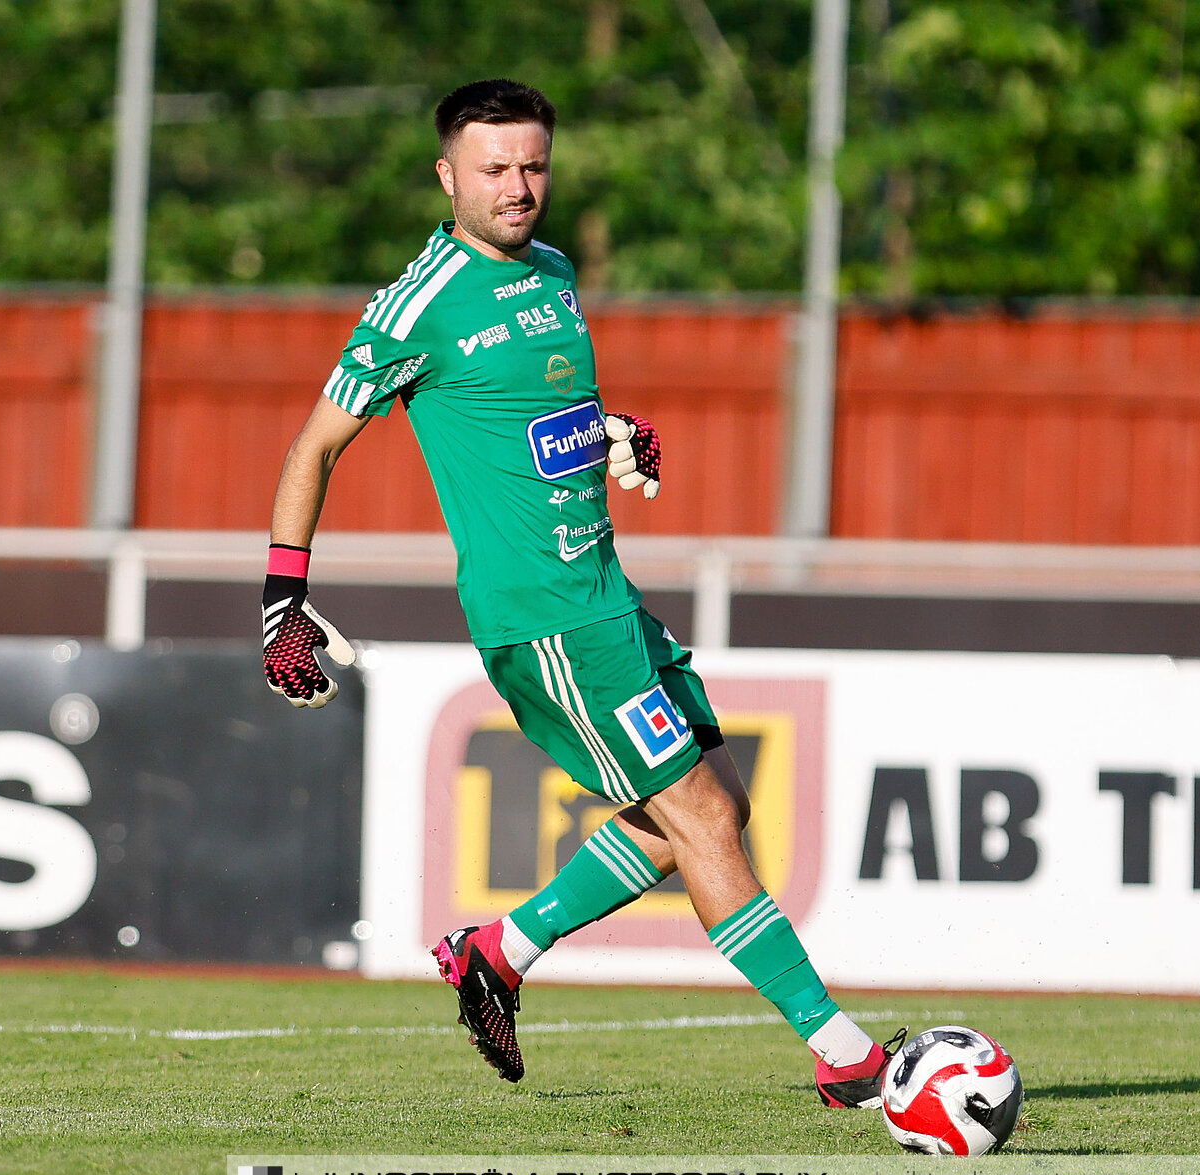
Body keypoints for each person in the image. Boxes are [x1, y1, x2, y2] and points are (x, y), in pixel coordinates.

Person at [260, 79, 899, 1106]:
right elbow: (314, 444)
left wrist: (611, 434)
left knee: (710, 807)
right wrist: (280, 600)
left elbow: (541, 410)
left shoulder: (553, 271)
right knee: (700, 817)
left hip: (606, 594)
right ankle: (852, 1057)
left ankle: (500, 953)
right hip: (546, 619)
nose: (518, 187)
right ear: (446, 177)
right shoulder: (416, 305)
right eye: (494, 168)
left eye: (533, 166)